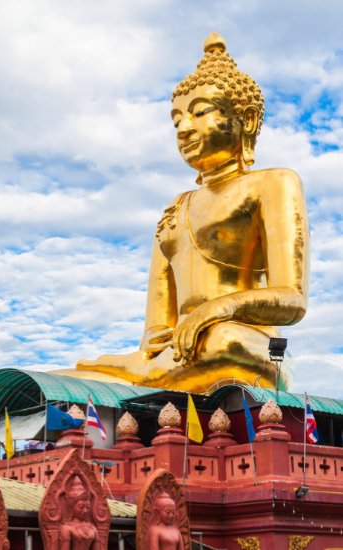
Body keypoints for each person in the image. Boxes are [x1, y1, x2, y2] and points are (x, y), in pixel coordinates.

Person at [73, 33, 309, 393]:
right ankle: (140, 375)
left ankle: (137, 375)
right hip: (179, 354)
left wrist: (216, 310)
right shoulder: (175, 208)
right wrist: (154, 338)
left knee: (223, 342)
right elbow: (157, 326)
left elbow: (292, 299)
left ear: (246, 119)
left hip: (248, 346)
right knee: (65, 378)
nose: (184, 129)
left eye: (200, 112)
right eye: (177, 120)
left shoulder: (273, 183)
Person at [59, 476, 101, 550]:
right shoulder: (67, 528)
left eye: (87, 507)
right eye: (81, 507)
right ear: (71, 507)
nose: (85, 510)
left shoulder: (92, 528)